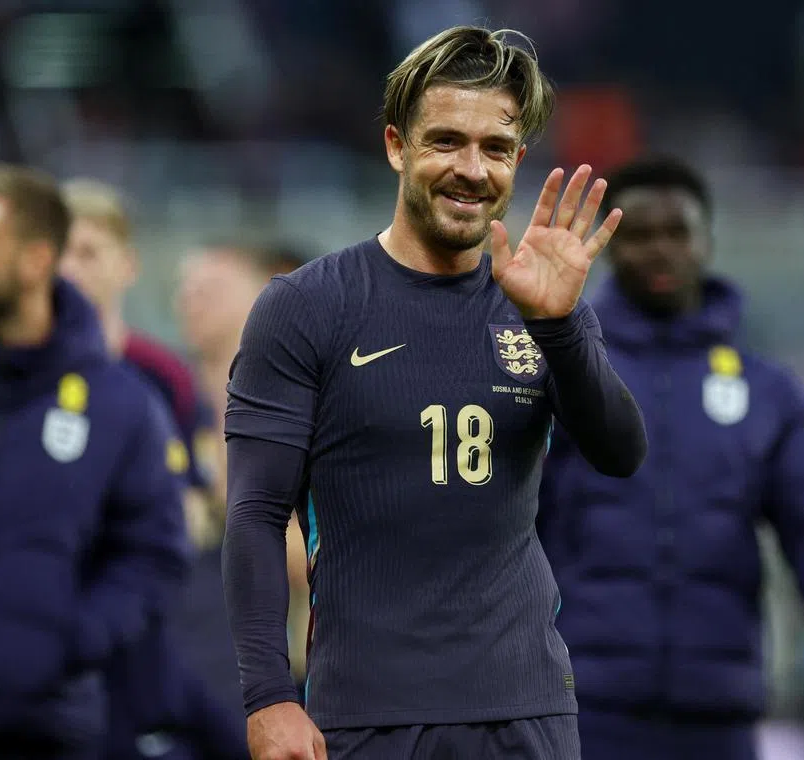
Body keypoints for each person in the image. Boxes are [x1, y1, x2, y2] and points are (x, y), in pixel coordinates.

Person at [223, 25, 647, 760]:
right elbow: (256, 515)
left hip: (527, 712)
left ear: (518, 160)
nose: (471, 169)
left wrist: (561, 328)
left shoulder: (543, 305)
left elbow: (620, 453)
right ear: (396, 146)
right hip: (366, 715)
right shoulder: (308, 306)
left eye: (495, 148)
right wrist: (267, 696)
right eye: (446, 141)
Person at [536, 156, 804, 760]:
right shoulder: (560, 373)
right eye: (639, 235)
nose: (660, 251)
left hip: (719, 717)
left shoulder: (769, 395)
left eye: (677, 232)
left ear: (708, 241)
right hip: (579, 708)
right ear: (606, 244)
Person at [0, 162, 188, 759]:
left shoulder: (121, 405)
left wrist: (68, 638)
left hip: (45, 734)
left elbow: (152, 553)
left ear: (36, 261)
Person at [59, 180, 248, 760]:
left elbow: (196, 513)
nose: (70, 270)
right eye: (59, 251)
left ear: (128, 264)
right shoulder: (16, 373)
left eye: (88, 253)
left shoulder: (161, 376)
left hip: (151, 633)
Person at [175, 240, 312, 689]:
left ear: (260, 293)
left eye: (211, 288)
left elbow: (323, 549)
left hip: (277, 648)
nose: (191, 301)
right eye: (186, 289)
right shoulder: (166, 399)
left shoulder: (303, 403)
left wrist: (231, 509)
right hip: (184, 636)